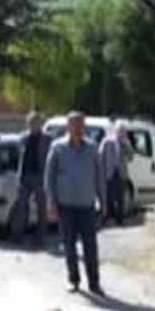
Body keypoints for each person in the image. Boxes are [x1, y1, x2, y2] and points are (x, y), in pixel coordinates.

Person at [45, 111, 106, 296]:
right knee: (69, 246)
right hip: (65, 206)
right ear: (68, 127)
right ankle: (74, 280)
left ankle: (94, 284)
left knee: (90, 246)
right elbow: (49, 177)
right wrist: (51, 203)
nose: (78, 128)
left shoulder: (92, 148)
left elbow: (99, 176)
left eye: (81, 125)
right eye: (75, 125)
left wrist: (104, 200)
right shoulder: (57, 147)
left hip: (87, 206)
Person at [9, 112, 49, 244]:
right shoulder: (23, 138)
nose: (33, 125)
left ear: (41, 124)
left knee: (41, 208)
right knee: (20, 206)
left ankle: (40, 237)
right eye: (31, 123)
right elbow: (18, 157)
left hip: (40, 177)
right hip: (25, 177)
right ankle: (17, 235)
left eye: (36, 123)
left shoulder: (48, 140)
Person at [99, 121, 132, 226]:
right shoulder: (107, 141)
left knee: (120, 198)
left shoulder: (126, 142)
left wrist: (126, 144)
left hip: (121, 174)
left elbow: (131, 157)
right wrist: (102, 171)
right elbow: (100, 156)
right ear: (116, 131)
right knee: (108, 197)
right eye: (120, 131)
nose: (122, 133)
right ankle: (106, 218)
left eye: (123, 131)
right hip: (109, 173)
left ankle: (120, 220)